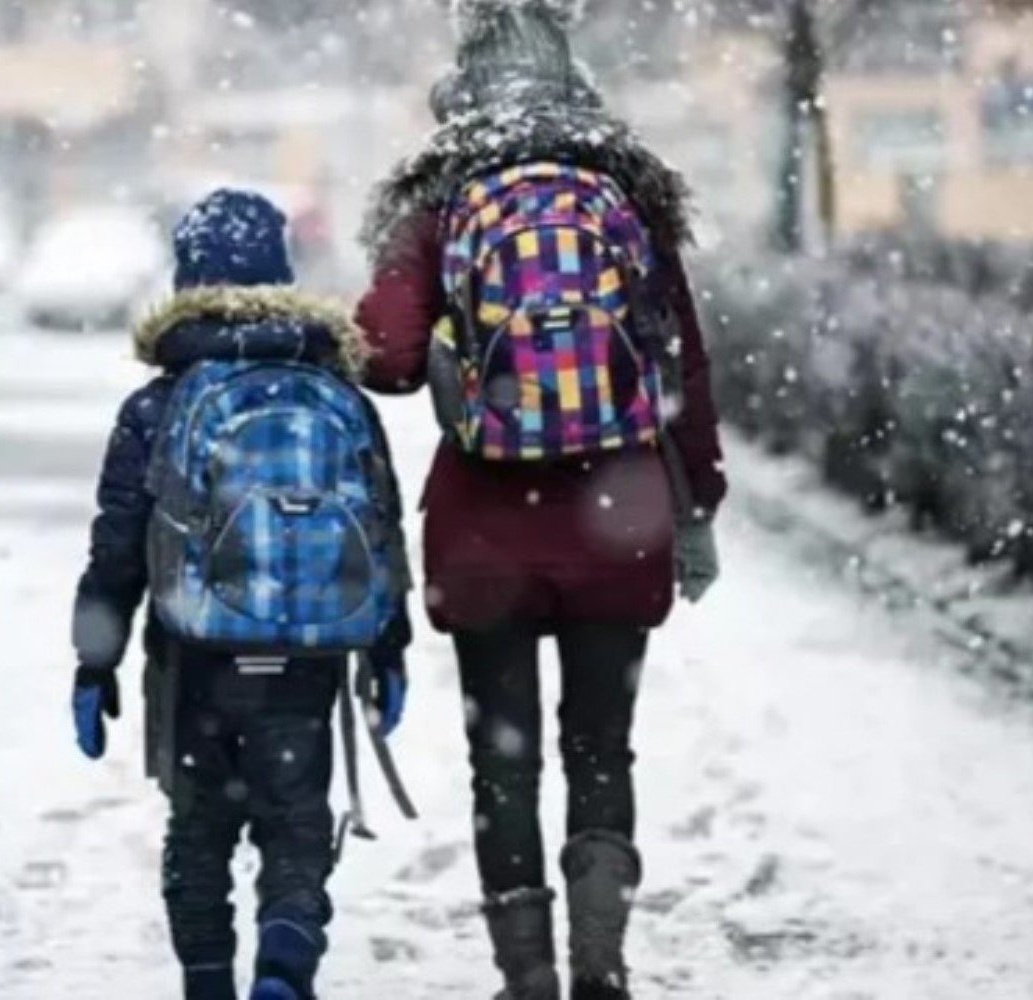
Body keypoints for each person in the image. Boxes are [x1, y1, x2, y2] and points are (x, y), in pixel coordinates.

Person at [354, 2, 727, 999]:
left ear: (461, 85)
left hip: (485, 532)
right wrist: (698, 507)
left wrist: (443, 353)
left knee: (501, 761)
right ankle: (598, 964)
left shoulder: (438, 201)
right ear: (572, 82)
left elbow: (385, 358)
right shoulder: (623, 197)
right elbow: (681, 365)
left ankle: (524, 977)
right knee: (600, 744)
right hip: (620, 515)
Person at [71, 189, 413, 1000]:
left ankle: (210, 984)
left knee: (199, 833)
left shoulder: (159, 403)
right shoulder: (336, 392)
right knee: (296, 825)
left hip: (196, 656)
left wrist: (95, 664)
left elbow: (116, 547)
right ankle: (286, 968)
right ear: (282, 275)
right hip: (309, 652)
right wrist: (390, 650)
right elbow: (383, 530)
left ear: (187, 278)